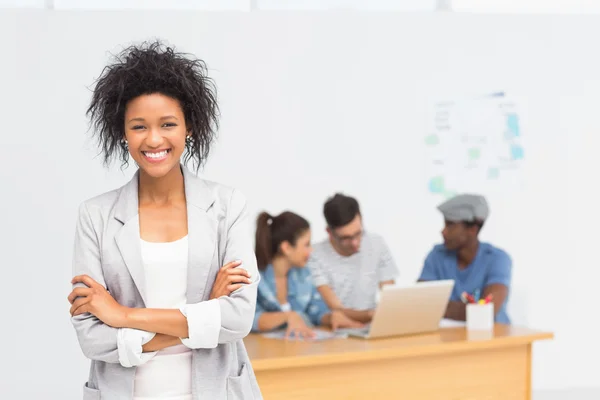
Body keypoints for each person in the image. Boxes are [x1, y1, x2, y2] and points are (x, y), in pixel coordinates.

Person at [67, 41, 262, 400]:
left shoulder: (227, 206)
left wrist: (122, 316)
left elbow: (236, 319)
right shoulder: (95, 216)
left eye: (168, 124)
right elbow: (92, 338)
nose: (154, 139)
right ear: (122, 133)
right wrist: (205, 315)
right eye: (139, 126)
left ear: (189, 127)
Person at [252, 211, 363, 339]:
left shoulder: (304, 275)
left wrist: (331, 317)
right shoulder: (252, 278)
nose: (311, 250)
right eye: (306, 244)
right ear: (286, 248)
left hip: (298, 350)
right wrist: (288, 317)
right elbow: (247, 319)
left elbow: (316, 310)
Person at [418, 194, 512, 324]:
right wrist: (471, 309)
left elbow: (486, 311)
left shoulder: (497, 258)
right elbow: (419, 303)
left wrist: (438, 307)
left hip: (493, 338)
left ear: (472, 230)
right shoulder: (436, 255)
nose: (443, 231)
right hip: (449, 337)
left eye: (450, 225)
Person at [307, 193, 399, 324]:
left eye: (358, 233)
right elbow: (335, 309)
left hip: (372, 325)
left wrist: (385, 313)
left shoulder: (376, 243)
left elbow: (391, 296)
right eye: (346, 238)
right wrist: (372, 314)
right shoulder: (314, 255)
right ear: (329, 232)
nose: (355, 243)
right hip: (337, 331)